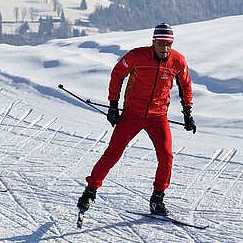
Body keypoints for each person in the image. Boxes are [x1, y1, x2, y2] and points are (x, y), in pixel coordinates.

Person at [77, 22, 195, 217]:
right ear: (153, 42)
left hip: (158, 117)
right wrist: (113, 105)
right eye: (161, 44)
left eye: (168, 45)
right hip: (132, 114)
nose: (165, 49)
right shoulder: (137, 56)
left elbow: (185, 85)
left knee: (166, 157)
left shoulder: (177, 61)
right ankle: (90, 191)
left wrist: (188, 113)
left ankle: (157, 199)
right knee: (113, 153)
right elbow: (117, 75)